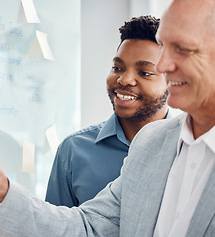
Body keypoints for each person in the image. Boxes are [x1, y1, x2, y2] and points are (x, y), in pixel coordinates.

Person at [0, 0, 215, 237]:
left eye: (182, 48)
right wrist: (2, 194)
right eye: (166, 46)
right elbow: (88, 227)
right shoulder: (151, 144)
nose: (164, 65)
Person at [46, 15, 171, 207]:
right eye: (117, 67)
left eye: (144, 72)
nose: (124, 79)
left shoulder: (190, 150)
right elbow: (54, 230)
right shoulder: (73, 151)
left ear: (172, 81)